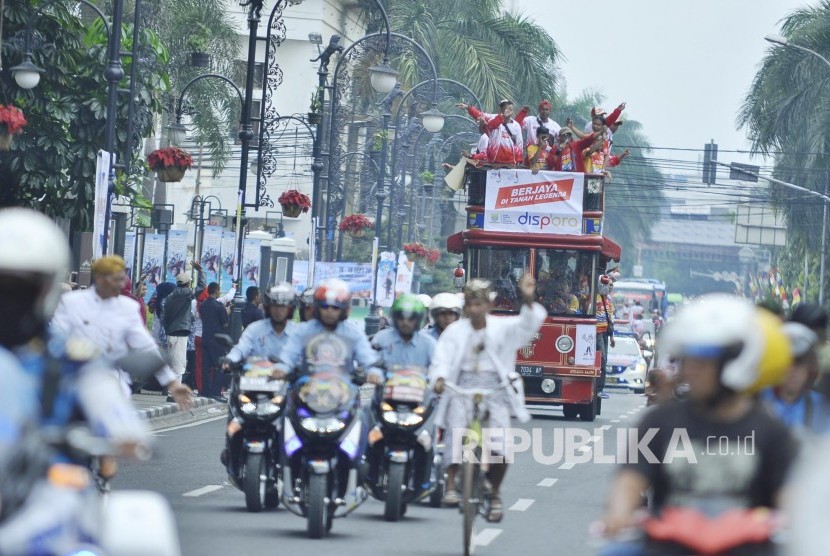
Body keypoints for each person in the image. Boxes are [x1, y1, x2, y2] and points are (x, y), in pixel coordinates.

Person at [0, 208, 152, 553]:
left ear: (46, 289)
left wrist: (122, 434)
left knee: (123, 536)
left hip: (45, 485)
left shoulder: (70, 358)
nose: (8, 301)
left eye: (20, 289)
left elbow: (108, 404)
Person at [600, 295, 797, 552]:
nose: (690, 370)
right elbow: (630, 479)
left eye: (703, 360)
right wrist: (619, 512)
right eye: (687, 358)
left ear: (736, 360)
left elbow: (789, 495)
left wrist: (796, 522)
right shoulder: (659, 422)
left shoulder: (771, 431)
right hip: (670, 544)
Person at [430, 276, 545, 521]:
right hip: (461, 387)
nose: (474, 309)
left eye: (479, 304)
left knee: (500, 448)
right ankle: (450, 484)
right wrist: (439, 378)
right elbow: (442, 359)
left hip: (495, 389)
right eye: (470, 304)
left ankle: (494, 494)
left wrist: (527, 299)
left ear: (489, 305)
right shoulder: (454, 331)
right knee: (456, 430)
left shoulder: (503, 327)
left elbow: (528, 325)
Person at [52, 254, 192, 406]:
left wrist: (172, 383)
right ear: (99, 278)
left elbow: (146, 346)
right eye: (115, 279)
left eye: (121, 279)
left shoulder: (127, 307)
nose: (119, 285)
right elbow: (55, 338)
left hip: (114, 385)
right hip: (76, 381)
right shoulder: (73, 303)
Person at [221, 282, 297, 470]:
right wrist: (230, 360)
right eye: (275, 306)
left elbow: (306, 356)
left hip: (285, 389)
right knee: (236, 413)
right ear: (268, 307)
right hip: (254, 385)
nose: (279, 311)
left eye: (283, 306)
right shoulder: (255, 329)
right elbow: (241, 348)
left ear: (290, 309)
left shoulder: (298, 333)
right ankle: (231, 449)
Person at [274, 278, 383, 384]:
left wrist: (373, 373)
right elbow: (288, 355)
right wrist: (281, 369)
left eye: (335, 308)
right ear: (317, 308)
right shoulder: (303, 331)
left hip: (344, 391)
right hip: (306, 389)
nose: (329, 311)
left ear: (344, 309)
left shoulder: (353, 333)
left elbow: (368, 359)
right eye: (325, 306)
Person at [760, 321, 830, 436]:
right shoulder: (757, 401)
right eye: (786, 361)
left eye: (799, 362)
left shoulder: (823, 407)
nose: (791, 370)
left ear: (810, 367)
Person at [162, 263, 205, 385]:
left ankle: (170, 390)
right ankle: (173, 394)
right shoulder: (187, 293)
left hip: (170, 332)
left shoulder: (169, 297)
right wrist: (200, 271)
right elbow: (201, 288)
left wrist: (167, 330)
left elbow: (165, 318)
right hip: (181, 333)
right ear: (187, 283)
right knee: (179, 365)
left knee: (172, 363)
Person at [372, 295, 436, 368]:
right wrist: (375, 374)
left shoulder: (428, 343)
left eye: (411, 318)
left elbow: (437, 368)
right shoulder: (381, 339)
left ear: (418, 319)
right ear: (395, 318)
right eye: (401, 318)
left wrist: (438, 377)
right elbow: (371, 362)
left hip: (419, 379)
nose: (405, 322)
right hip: (386, 379)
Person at [460, 100, 529, 165]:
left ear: (512, 111)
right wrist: (469, 108)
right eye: (503, 108)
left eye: (509, 109)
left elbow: (519, 143)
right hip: (494, 162)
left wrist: (519, 160)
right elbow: (480, 116)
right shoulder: (493, 119)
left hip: (510, 163)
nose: (506, 111)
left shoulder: (516, 125)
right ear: (500, 110)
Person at [201, 282, 230, 400]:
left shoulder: (203, 305)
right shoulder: (219, 306)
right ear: (217, 291)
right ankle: (217, 392)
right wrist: (227, 312)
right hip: (217, 340)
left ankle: (206, 391)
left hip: (205, 337)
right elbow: (225, 323)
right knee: (220, 366)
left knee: (206, 366)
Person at [596, 275, 616, 400]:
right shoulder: (593, 297)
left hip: (605, 333)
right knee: (601, 359)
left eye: (611, 285)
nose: (610, 287)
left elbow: (611, 320)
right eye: (608, 285)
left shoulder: (609, 300)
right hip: (596, 332)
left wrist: (612, 337)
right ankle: (597, 389)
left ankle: (600, 388)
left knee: (605, 360)